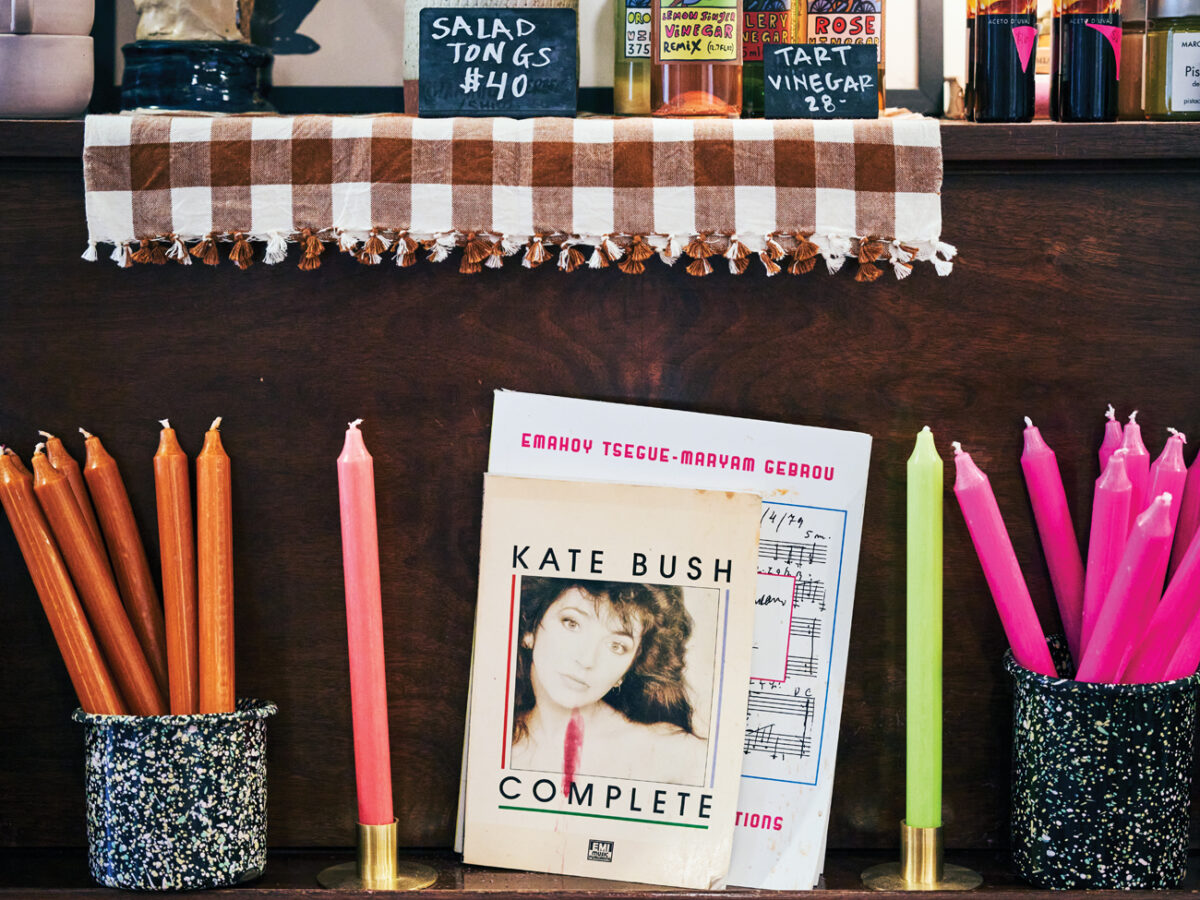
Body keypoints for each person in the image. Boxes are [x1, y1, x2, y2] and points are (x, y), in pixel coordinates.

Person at [510, 577, 709, 786]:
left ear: (628, 669)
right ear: (529, 629)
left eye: (616, 646)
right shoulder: (495, 736)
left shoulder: (675, 756)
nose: (587, 660)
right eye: (572, 624)